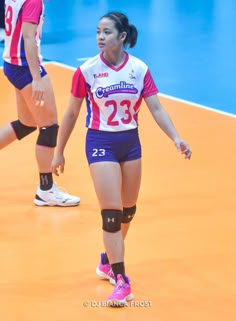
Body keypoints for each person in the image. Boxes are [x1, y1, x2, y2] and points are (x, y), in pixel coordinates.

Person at [51, 11, 192, 306]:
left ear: (122, 37)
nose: (100, 37)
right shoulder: (87, 71)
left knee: (128, 211)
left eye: (107, 32)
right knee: (111, 214)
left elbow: (156, 109)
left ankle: (107, 260)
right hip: (100, 141)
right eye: (98, 32)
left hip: (130, 143)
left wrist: (176, 138)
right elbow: (72, 113)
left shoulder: (139, 69)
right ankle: (121, 279)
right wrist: (58, 151)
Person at [1, 0, 80, 207]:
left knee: (26, 123)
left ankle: (46, 189)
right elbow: (28, 37)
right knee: (49, 126)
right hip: (26, 67)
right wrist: (36, 78)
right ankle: (46, 190)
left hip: (12, 64)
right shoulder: (33, 1)